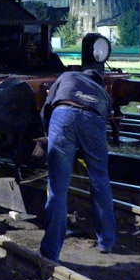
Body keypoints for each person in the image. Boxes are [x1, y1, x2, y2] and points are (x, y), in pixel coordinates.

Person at [38, 68, 116, 262]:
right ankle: (106, 242)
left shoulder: (67, 76)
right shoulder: (102, 92)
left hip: (62, 115)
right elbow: (104, 121)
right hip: (94, 119)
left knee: (57, 188)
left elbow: (46, 109)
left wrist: (49, 137)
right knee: (100, 181)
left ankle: (51, 252)